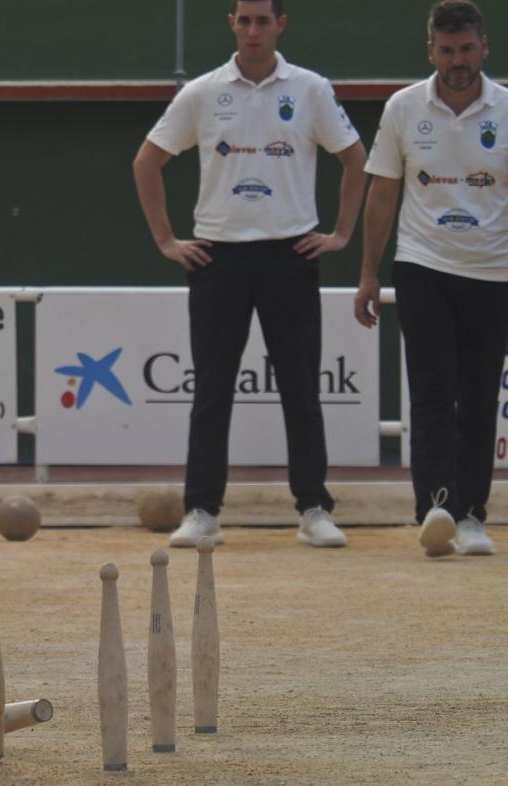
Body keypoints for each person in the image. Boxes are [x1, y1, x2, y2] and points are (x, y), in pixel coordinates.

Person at [132, 0, 367, 548]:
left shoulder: (309, 88)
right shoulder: (202, 92)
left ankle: (313, 508)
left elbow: (356, 158)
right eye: (246, 19)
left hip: (292, 255)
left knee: (301, 388)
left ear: (281, 25)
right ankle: (202, 511)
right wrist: (167, 241)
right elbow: (147, 161)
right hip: (218, 259)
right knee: (211, 391)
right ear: (231, 23)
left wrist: (340, 234)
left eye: (265, 20)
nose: (255, 29)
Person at [356, 0, 507, 558]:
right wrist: (369, 274)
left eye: (467, 49)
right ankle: (436, 509)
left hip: (493, 271)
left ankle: (472, 516)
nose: (457, 61)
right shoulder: (402, 108)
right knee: (432, 391)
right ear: (431, 52)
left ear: (484, 47)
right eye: (446, 51)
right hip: (422, 265)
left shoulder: (507, 109)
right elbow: (384, 195)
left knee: (478, 395)